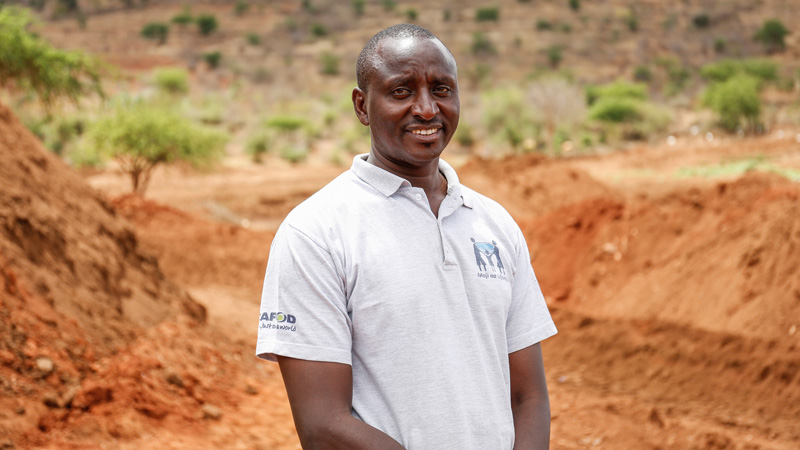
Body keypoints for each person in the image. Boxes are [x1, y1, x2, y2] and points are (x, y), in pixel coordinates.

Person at [256, 23, 557, 449]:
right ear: (362, 106)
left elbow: (528, 396)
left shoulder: (494, 223)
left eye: (441, 89)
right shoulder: (316, 232)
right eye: (401, 91)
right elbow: (322, 425)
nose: (427, 109)